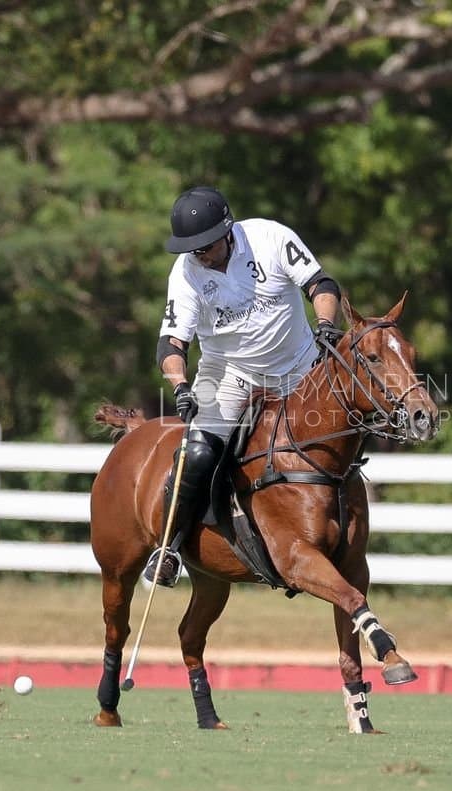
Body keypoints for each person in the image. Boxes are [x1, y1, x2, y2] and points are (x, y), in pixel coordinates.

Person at [149, 185, 344, 586]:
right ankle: (169, 547)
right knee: (197, 452)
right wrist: (181, 385)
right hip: (227, 375)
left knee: (345, 430)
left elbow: (320, 285)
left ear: (227, 231)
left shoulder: (270, 238)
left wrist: (325, 326)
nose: (199, 254)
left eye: (205, 245)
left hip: (300, 367)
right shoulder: (186, 273)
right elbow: (171, 342)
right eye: (192, 248)